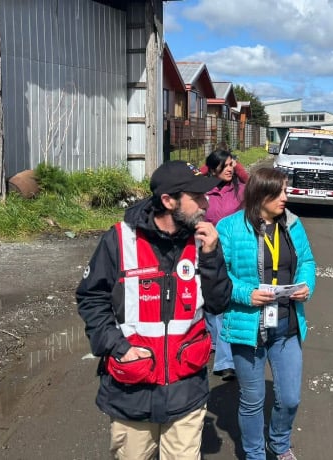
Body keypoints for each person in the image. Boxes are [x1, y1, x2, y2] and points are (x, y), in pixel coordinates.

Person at [76, 160, 231, 460]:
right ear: (168, 201)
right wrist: (115, 346)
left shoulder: (204, 241)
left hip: (187, 388)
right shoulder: (119, 239)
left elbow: (219, 302)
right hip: (132, 388)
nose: (206, 203)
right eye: (196, 197)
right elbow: (91, 298)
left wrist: (212, 256)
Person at [216, 168, 317, 460]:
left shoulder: (293, 225)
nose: (286, 197)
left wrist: (306, 285)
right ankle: (254, 453)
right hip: (248, 327)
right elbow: (221, 275)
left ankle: (280, 443)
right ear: (261, 195)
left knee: (290, 398)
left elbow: (307, 261)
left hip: (286, 325)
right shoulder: (230, 227)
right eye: (280, 192)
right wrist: (245, 294)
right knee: (252, 401)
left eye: (286, 191)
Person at [202, 148, 246, 381]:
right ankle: (214, 343)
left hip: (233, 254)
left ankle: (226, 360)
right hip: (206, 252)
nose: (230, 168)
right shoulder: (203, 192)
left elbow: (251, 181)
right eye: (225, 165)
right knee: (209, 304)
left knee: (223, 303)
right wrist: (210, 169)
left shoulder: (241, 191)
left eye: (232, 164)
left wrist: (235, 167)